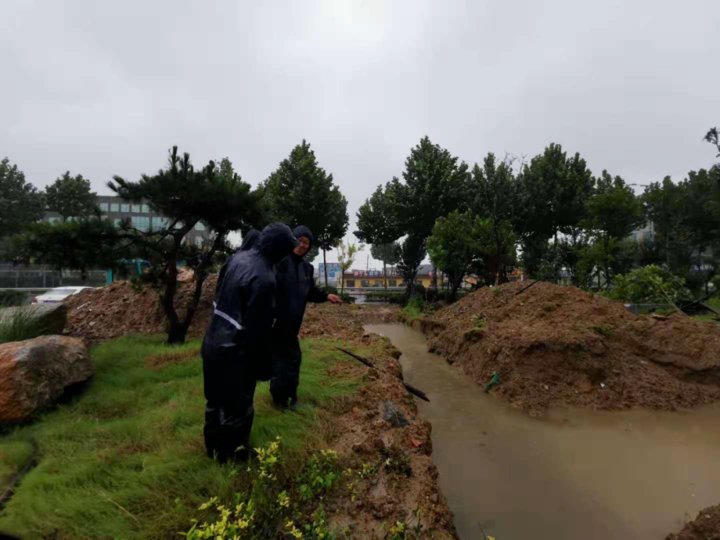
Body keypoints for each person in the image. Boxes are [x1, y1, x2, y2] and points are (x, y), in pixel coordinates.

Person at [201, 223, 298, 462]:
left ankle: (213, 449)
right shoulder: (265, 278)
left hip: (212, 342)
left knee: (214, 402)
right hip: (236, 353)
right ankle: (235, 456)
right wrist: (264, 366)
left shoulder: (238, 258)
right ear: (280, 251)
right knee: (239, 407)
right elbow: (257, 330)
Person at [270, 225, 342, 409]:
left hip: (293, 326)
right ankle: (279, 401)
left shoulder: (306, 269)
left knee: (294, 360)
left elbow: (310, 291)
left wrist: (326, 296)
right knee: (281, 362)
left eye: (306, 243)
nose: (302, 245)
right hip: (276, 324)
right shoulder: (279, 262)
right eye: (299, 240)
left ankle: (292, 397)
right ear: (292, 240)